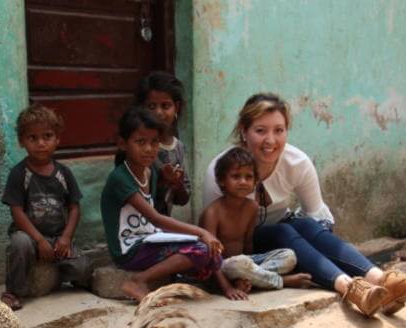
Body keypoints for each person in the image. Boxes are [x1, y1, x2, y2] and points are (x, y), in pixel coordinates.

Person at [203, 93, 406, 317]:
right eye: (260, 131)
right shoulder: (223, 170)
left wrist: (315, 256)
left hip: (287, 245)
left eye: (279, 130)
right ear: (244, 131)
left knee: (303, 225)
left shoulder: (296, 162)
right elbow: (215, 239)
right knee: (285, 229)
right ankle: (350, 289)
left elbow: (317, 216)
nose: (270, 141)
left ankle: (382, 281)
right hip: (249, 254)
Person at [101, 107, 224, 302]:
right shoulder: (120, 178)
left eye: (154, 142)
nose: (149, 149)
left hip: (149, 238)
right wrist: (201, 232)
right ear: (123, 144)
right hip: (129, 249)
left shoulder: (150, 171)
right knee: (201, 248)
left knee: (213, 254)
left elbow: (161, 210)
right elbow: (155, 218)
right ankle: (138, 280)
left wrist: (170, 183)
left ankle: (201, 280)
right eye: (140, 142)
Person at [0, 104, 90, 310]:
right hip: (31, 237)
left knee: (84, 269)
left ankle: (58, 274)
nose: (40, 143)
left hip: (58, 240)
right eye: (32, 138)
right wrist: (39, 240)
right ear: (22, 141)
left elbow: (74, 207)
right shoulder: (19, 173)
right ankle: (13, 291)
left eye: (47, 136)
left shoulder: (63, 173)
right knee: (19, 244)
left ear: (57, 139)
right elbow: (16, 211)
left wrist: (66, 238)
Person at [201, 147, 313, 300]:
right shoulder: (213, 213)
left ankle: (249, 280)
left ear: (255, 182)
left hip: (245, 264)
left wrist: (250, 270)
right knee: (239, 264)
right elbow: (210, 256)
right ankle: (281, 281)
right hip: (220, 268)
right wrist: (227, 288)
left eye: (248, 177)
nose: (243, 182)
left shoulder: (252, 207)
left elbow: (248, 244)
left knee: (289, 255)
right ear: (222, 180)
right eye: (236, 176)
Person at [134, 71, 191, 216]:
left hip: (162, 226)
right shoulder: (135, 146)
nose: (158, 113)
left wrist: (177, 183)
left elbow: (183, 199)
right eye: (151, 106)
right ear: (142, 108)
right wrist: (162, 180)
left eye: (165, 106)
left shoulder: (178, 148)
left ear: (176, 108)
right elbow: (136, 194)